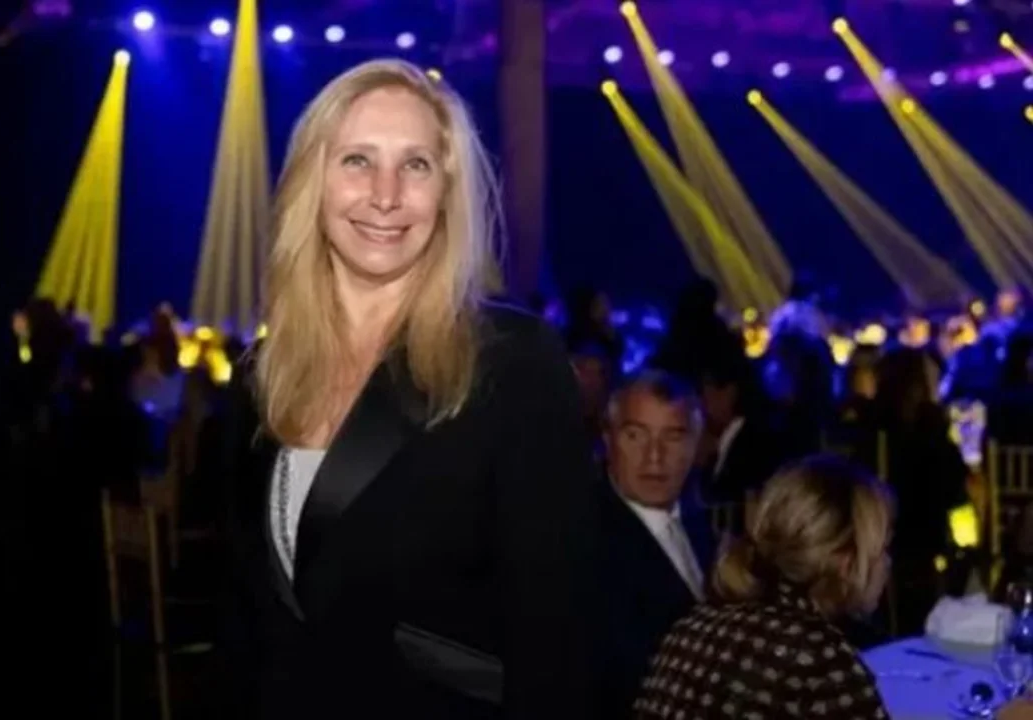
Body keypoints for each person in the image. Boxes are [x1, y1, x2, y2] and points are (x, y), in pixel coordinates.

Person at [215, 59, 609, 719]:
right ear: (312, 181)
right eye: (357, 161)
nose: (386, 195)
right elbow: (245, 615)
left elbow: (558, 634)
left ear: (447, 193)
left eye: (416, 165)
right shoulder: (263, 374)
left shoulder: (510, 362)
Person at [634, 455, 894, 718]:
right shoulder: (819, 656)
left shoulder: (693, 626)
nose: (887, 563)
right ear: (846, 561)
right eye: (882, 548)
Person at [600, 371, 714, 715]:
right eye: (635, 436)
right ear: (608, 439)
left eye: (673, 437)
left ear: (696, 445)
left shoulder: (702, 528)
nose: (654, 457)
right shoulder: (581, 542)